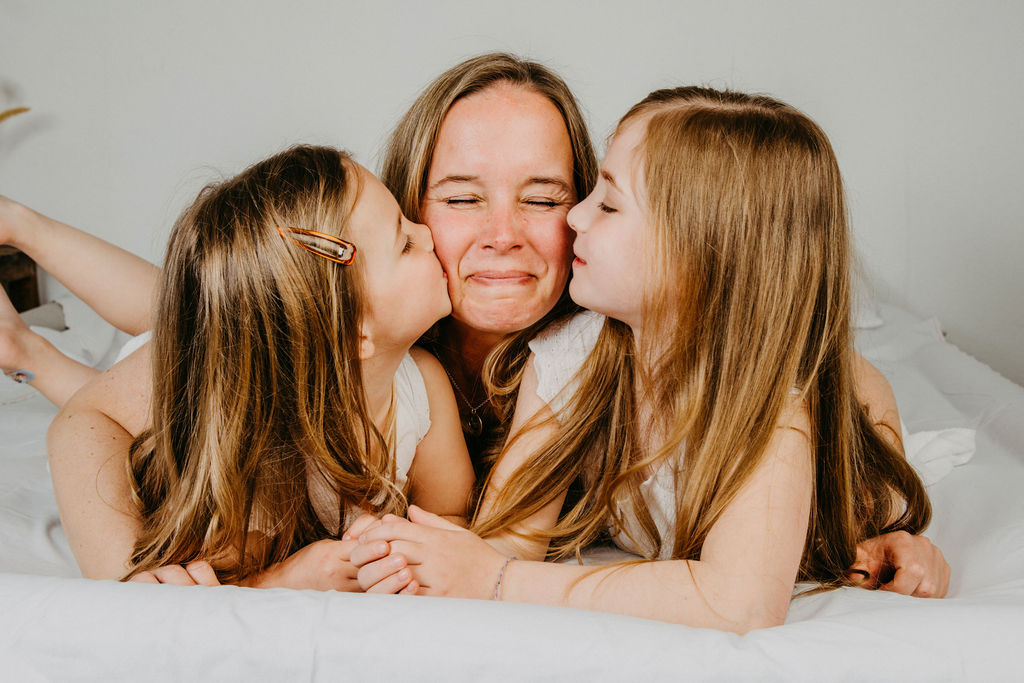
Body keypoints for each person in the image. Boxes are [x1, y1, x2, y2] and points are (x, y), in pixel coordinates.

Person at [6, 53, 945, 592]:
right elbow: (97, 416)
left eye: (549, 196)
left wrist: (883, 501)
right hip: (197, 357)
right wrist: (126, 579)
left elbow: (830, 376)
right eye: (458, 198)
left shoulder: (613, 327)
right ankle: (27, 257)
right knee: (167, 311)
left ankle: (30, 329)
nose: (506, 236)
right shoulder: (316, 319)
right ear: (408, 204)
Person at [349, 87, 943, 630]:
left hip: (841, 464)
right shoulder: (571, 358)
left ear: (698, 253)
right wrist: (410, 559)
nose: (576, 217)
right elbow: (504, 539)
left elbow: (738, 600)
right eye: (461, 197)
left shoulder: (774, 405)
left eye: (604, 204)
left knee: (869, 473)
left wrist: (498, 581)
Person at [42, 145, 475, 586]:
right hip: (187, 378)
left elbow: (450, 512)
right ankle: (27, 349)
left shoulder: (421, 387)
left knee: (180, 311)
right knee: (141, 350)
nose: (427, 234)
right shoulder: (253, 465)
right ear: (353, 333)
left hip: (237, 343)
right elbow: (219, 583)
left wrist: (401, 549)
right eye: (404, 243)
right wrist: (285, 578)